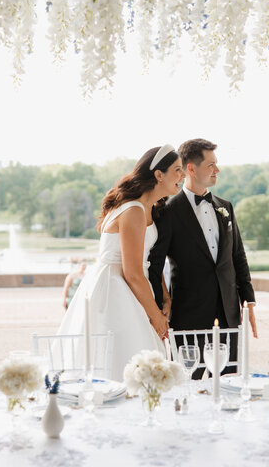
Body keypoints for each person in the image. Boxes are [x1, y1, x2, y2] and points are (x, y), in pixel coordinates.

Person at [56, 144, 185, 381]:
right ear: (159, 174)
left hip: (121, 284)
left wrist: (164, 295)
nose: (183, 175)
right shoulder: (134, 210)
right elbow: (133, 272)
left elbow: (149, 262)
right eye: (177, 169)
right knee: (125, 360)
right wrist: (156, 317)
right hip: (115, 290)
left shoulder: (146, 207)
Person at [148, 138, 257, 378]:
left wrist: (248, 301)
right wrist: (160, 306)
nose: (217, 170)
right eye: (211, 165)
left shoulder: (225, 206)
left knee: (230, 385)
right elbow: (155, 265)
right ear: (191, 168)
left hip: (229, 314)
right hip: (189, 316)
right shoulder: (167, 211)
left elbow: (238, 256)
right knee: (187, 386)